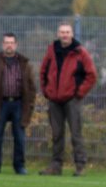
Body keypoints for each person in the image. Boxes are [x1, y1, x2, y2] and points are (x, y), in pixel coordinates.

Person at [38, 21, 96, 176]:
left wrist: (79, 93)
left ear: (72, 34)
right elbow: (43, 71)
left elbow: (91, 75)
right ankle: (56, 166)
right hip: (54, 100)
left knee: (76, 133)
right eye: (62, 32)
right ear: (58, 34)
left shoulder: (80, 52)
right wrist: (46, 91)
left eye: (67, 32)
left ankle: (80, 166)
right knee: (56, 134)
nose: (64, 35)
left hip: (72, 99)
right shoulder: (51, 50)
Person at [0, 32, 36, 175]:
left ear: (16, 45)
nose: (9, 45)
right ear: (2, 44)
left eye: (11, 43)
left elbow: (31, 86)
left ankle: (19, 166)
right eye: (6, 42)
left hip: (18, 104)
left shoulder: (24, 63)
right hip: (1, 104)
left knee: (19, 137)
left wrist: (29, 104)